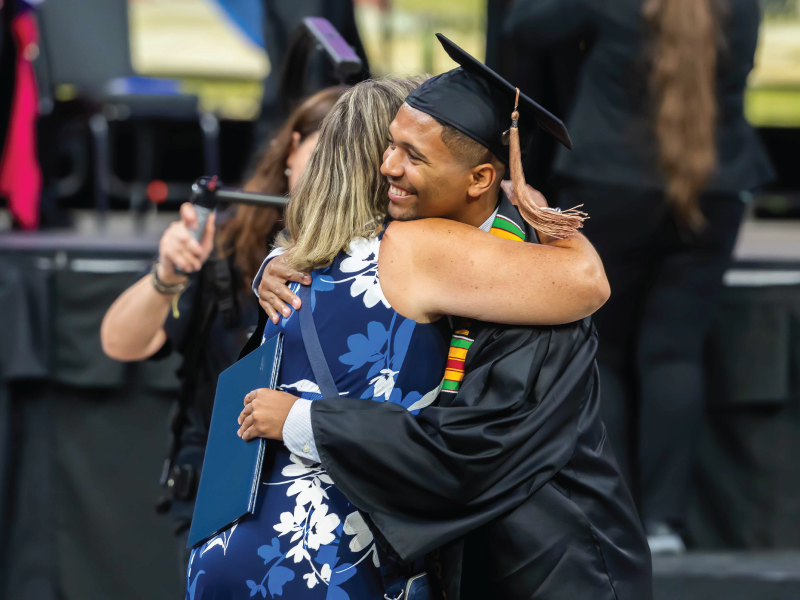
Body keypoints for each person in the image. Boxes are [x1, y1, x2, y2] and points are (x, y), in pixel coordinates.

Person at [244, 36, 652, 600]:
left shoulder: (534, 296)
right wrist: (280, 260)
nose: (388, 166)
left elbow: (470, 449)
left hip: (556, 568)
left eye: (414, 156)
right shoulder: (428, 258)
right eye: (390, 146)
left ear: (482, 180)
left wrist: (304, 421)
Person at [505, 0, 776, 553]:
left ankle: (614, 514)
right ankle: (665, 524)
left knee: (600, 349)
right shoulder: (743, 7)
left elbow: (524, 24)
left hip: (611, 179)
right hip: (716, 185)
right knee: (675, 353)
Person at [100, 86, 347, 581]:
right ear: (291, 149)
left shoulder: (374, 259)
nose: (326, 179)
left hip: (326, 505)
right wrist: (167, 273)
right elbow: (120, 342)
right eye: (318, 157)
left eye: (344, 166)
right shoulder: (226, 244)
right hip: (220, 499)